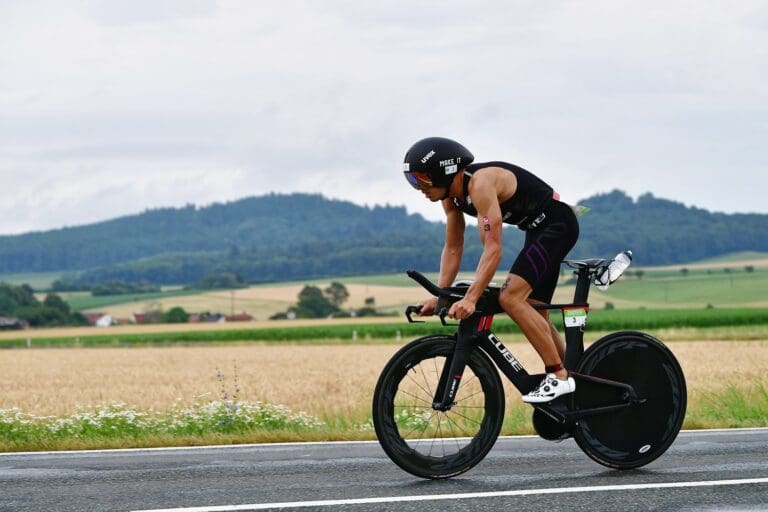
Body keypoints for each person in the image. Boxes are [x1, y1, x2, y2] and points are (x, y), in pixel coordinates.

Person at [403, 136, 579, 403]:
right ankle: (573, 382)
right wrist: (441, 296)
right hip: (537, 230)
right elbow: (453, 248)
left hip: (557, 225)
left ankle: (558, 376)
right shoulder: (452, 198)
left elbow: (494, 248)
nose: (419, 188)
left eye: (422, 180)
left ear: (445, 171)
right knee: (534, 309)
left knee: (510, 298)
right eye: (412, 181)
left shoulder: (480, 184)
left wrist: (472, 297)